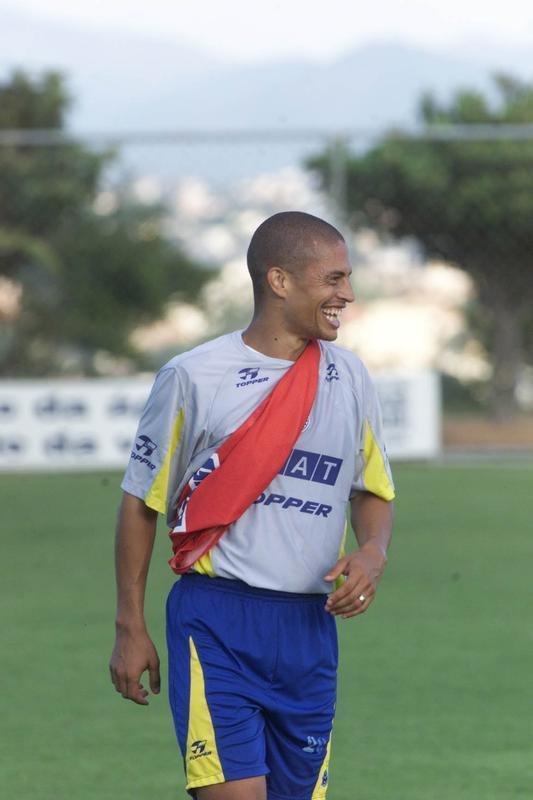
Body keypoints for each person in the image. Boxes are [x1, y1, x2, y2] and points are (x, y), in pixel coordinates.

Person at [109, 211, 395, 800]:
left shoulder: (350, 377)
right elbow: (142, 503)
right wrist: (129, 624)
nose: (347, 294)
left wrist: (372, 550)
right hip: (218, 618)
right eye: (334, 278)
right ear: (280, 280)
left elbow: (370, 488)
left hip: (310, 629)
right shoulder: (193, 376)